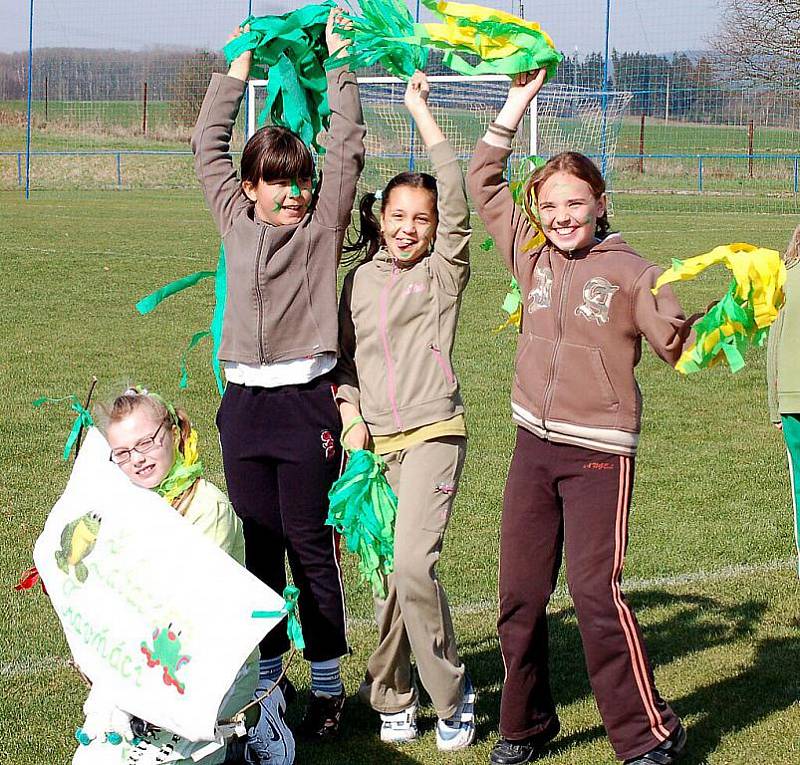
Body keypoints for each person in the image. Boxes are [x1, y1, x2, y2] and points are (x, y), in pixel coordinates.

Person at [467, 69, 693, 765]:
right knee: (520, 598)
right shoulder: (528, 254)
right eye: (551, 204)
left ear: (600, 202)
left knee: (596, 596)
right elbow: (482, 179)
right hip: (532, 448)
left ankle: (646, 734)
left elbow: (679, 342)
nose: (563, 215)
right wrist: (516, 102)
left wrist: (731, 315)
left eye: (576, 202)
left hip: (599, 455)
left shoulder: (632, 270)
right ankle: (527, 726)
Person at [191, 9, 366, 739]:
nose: (292, 194)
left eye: (300, 182)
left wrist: (339, 60)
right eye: (277, 182)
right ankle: (270, 685)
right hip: (244, 410)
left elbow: (349, 149)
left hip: (305, 409)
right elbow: (206, 145)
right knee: (256, 548)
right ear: (252, 186)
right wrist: (236, 68)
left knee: (307, 542)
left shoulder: (322, 229)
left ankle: (328, 686)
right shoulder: (234, 222)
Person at [335, 71, 475, 751]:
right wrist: (350, 414)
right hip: (375, 445)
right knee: (392, 577)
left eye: (421, 218)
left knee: (414, 565)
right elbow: (344, 364)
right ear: (380, 218)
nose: (409, 227)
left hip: (434, 433)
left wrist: (421, 113)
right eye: (398, 216)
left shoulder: (442, 274)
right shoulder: (358, 280)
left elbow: (456, 194)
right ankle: (391, 695)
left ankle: (451, 693)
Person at [76, 386, 293, 765]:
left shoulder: (208, 508)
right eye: (123, 453)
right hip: (145, 654)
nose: (138, 460)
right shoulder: (121, 504)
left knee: (177, 757)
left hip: (209, 661)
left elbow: (192, 608)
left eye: (146, 442)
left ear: (174, 432)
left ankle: (257, 717)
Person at [767, 224, 800, 575]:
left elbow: (773, 347)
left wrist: (774, 405)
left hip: (792, 400)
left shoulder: (783, 280)